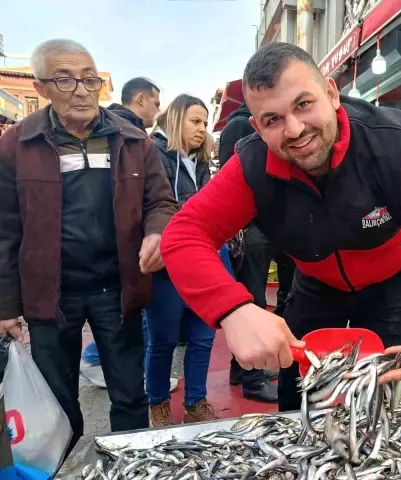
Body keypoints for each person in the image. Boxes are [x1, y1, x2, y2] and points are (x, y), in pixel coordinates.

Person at [160, 42, 401, 412]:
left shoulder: (399, 142)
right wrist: (233, 310)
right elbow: (184, 234)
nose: (294, 129)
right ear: (257, 127)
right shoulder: (251, 167)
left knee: (383, 398)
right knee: (298, 399)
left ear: (331, 93)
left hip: (394, 278)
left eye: (303, 104)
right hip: (315, 281)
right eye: (272, 119)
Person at [0, 39, 177, 450]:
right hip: (50, 295)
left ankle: (132, 464)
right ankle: (69, 466)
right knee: (58, 401)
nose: (81, 90)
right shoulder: (16, 146)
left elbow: (161, 201)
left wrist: (157, 231)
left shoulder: (134, 141)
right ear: (42, 88)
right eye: (65, 79)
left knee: (130, 394)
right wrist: (6, 306)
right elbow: (5, 229)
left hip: (118, 289)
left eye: (89, 79)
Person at [81, 77, 179, 393]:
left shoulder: (133, 135)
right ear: (139, 99)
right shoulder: (120, 133)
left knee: (130, 316)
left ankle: (111, 365)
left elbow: (157, 198)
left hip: (125, 246)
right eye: (155, 101)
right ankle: (98, 360)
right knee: (130, 317)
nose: (157, 109)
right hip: (120, 249)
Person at [145, 94, 217, 426]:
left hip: (205, 258)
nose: (203, 129)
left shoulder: (200, 162)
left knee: (204, 337)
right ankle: (157, 402)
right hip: (167, 262)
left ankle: (195, 402)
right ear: (175, 119)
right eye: (195, 121)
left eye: (205, 122)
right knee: (163, 339)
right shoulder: (151, 154)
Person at [219, 104, 287, 404]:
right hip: (252, 228)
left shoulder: (237, 127)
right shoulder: (241, 129)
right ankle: (252, 379)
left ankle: (241, 369)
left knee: (254, 298)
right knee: (253, 302)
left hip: (257, 227)